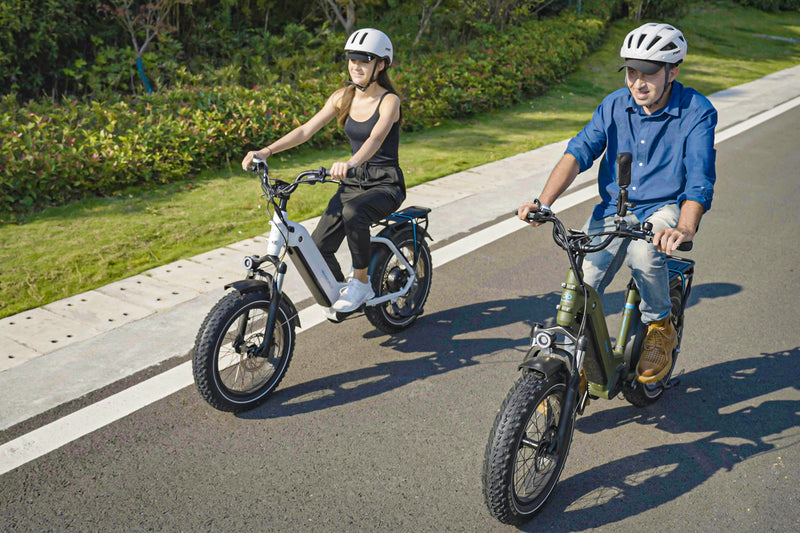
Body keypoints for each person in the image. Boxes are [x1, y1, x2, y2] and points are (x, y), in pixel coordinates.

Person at [517, 22, 717, 384]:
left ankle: (659, 325)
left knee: (644, 255)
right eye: (631, 71)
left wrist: (684, 228)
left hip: (664, 208)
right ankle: (568, 370)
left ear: (672, 71)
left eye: (649, 73)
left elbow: (700, 179)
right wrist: (543, 202)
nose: (638, 82)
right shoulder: (614, 105)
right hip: (615, 208)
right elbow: (578, 153)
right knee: (583, 283)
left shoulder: (696, 111)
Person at [242, 28, 405, 313]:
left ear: (381, 64)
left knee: (355, 213)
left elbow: (375, 139)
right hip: (354, 183)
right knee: (317, 246)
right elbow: (306, 130)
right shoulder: (343, 97)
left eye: (364, 60)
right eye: (352, 59)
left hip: (384, 184)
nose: (356, 66)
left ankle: (361, 283)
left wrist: (352, 163)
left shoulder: (389, 101)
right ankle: (344, 291)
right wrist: (265, 151)